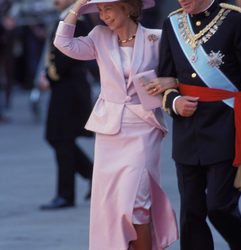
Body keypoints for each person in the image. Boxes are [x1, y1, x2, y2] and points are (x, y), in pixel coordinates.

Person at [54, 0, 178, 249]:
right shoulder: (98, 36)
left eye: (108, 8)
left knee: (138, 203)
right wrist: (77, 7)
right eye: (99, 10)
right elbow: (63, 43)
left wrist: (169, 81)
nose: (103, 15)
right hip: (110, 131)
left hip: (145, 128)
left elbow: (180, 72)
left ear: (128, 8)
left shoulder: (158, 38)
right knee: (113, 204)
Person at [158, 0, 241, 249]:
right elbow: (165, 78)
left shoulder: (236, 20)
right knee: (191, 211)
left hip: (227, 125)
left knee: (219, 207)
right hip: (188, 130)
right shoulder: (172, 23)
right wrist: (175, 102)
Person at [39, 0, 96, 210]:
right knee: (59, 138)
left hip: (70, 88)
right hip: (64, 87)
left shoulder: (76, 18)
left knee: (60, 138)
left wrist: (50, 75)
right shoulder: (66, 15)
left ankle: (66, 194)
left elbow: (66, 56)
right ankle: (92, 175)